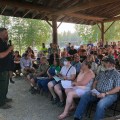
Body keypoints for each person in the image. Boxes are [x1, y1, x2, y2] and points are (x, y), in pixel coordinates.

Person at [74, 56, 120, 120]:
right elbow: (95, 82)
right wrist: (93, 90)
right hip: (97, 92)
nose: (103, 64)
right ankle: (77, 117)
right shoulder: (102, 72)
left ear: (111, 64)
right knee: (85, 96)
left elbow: (117, 88)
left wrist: (105, 93)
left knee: (101, 104)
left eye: (105, 63)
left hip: (110, 94)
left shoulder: (116, 74)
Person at [0, 28, 14, 109]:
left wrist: (9, 49)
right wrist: (9, 49)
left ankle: (4, 98)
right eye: (5, 33)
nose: (7, 34)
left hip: (6, 68)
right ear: (0, 33)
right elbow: (1, 55)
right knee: (2, 86)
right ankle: (1, 103)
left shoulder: (3, 42)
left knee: (5, 85)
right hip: (1, 69)